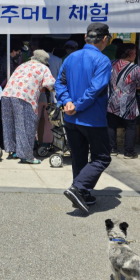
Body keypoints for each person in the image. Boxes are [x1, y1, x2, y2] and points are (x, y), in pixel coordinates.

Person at [55, 22, 113, 214]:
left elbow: (60, 83)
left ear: (85, 37)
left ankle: (83, 193)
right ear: (105, 39)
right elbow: (95, 89)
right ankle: (78, 188)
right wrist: (76, 105)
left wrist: (67, 102)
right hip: (92, 118)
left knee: (79, 157)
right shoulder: (103, 60)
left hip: (72, 119)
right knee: (101, 158)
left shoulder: (70, 57)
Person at [1, 50, 55, 164]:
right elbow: (50, 85)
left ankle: (14, 150)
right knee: (26, 125)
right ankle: (26, 155)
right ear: (44, 61)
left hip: (7, 94)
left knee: (10, 124)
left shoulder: (23, 64)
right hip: (24, 96)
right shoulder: (43, 68)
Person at [107, 43, 140, 159]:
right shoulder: (135, 68)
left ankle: (112, 148)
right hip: (128, 102)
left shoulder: (110, 64)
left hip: (111, 100)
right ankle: (128, 151)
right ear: (131, 53)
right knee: (131, 126)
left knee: (111, 125)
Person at [37, 37, 63, 147]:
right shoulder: (58, 60)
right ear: (53, 48)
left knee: (34, 120)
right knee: (50, 120)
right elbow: (61, 79)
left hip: (37, 93)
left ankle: (34, 142)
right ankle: (47, 144)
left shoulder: (35, 61)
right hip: (53, 94)